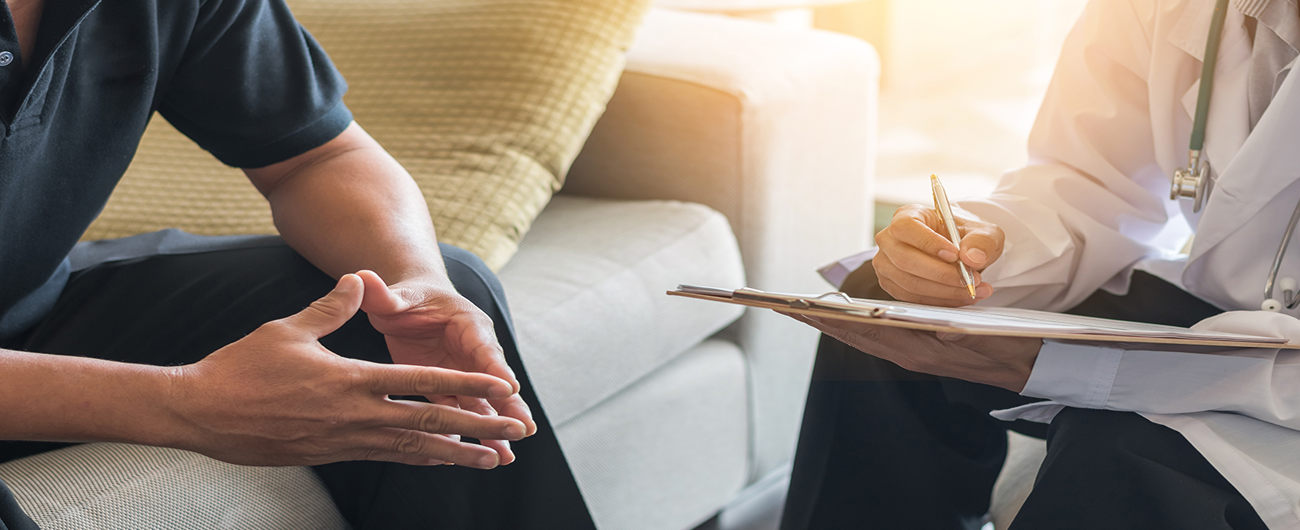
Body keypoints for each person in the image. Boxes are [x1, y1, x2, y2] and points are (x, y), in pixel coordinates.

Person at [0, 0, 594, 528]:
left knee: (399, 303)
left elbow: (315, 157)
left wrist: (416, 281)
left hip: (29, 306)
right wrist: (180, 402)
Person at [779, 0, 1300, 528]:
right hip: (1230, 302)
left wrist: (1076, 368)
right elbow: (1092, 182)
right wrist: (978, 251)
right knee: (892, 309)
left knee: (1119, 451)